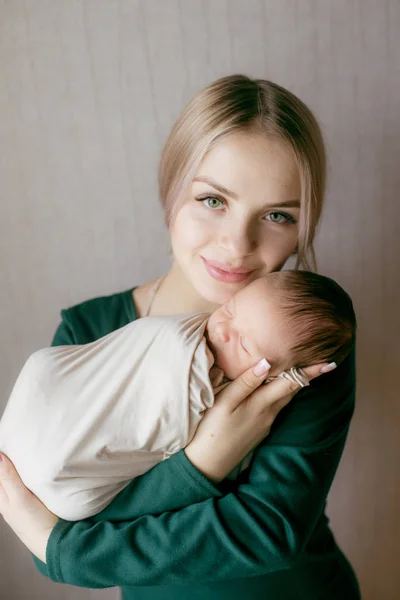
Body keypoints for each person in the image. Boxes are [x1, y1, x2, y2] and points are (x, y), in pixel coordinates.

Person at [0, 74, 361, 599]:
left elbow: (270, 531)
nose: (238, 243)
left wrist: (69, 553)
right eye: (214, 200)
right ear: (172, 188)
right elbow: (52, 514)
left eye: (278, 215)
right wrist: (204, 462)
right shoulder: (88, 331)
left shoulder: (302, 336)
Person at [0, 270, 356, 521]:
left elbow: (272, 530)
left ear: (276, 375)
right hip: (38, 407)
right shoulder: (89, 323)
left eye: (245, 344)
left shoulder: (296, 392)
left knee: (69, 489)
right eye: (231, 309)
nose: (222, 328)